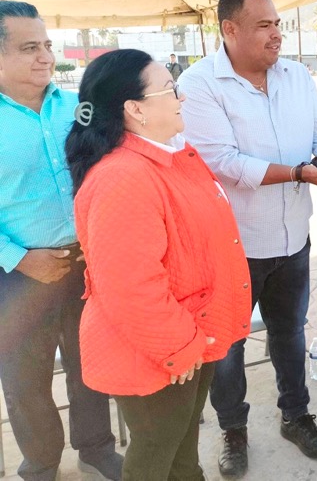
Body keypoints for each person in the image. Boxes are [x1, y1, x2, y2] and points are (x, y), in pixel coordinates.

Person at [179, 0, 317, 478]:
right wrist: (297, 172)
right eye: (264, 25)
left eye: (278, 23)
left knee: (289, 333)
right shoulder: (199, 83)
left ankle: (296, 416)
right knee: (226, 347)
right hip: (231, 246)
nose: (277, 34)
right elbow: (222, 162)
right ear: (229, 30)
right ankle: (234, 430)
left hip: (294, 237)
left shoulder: (296, 75)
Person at [65, 48, 251, 479]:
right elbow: (131, 287)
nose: (180, 97)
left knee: (181, 451)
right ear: (135, 109)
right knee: (155, 456)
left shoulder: (169, 157)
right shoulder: (123, 177)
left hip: (191, 338)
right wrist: (180, 347)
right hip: (161, 349)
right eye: (170, 88)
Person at [0, 0, 123, 481]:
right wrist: (20, 258)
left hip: (86, 262)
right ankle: (41, 463)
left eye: (47, 45)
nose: (45, 57)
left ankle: (95, 447)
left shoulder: (76, 107)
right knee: (25, 380)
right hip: (17, 275)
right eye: (30, 48)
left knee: (90, 363)